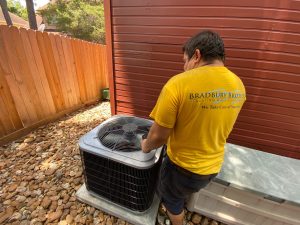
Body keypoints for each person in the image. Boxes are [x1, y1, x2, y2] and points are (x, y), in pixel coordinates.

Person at [141, 30, 246, 225]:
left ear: (196, 55)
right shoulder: (238, 85)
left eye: (185, 61)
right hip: (213, 166)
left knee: (172, 198)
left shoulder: (178, 84)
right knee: (184, 191)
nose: (184, 67)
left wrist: (145, 146)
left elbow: (158, 138)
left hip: (182, 168)